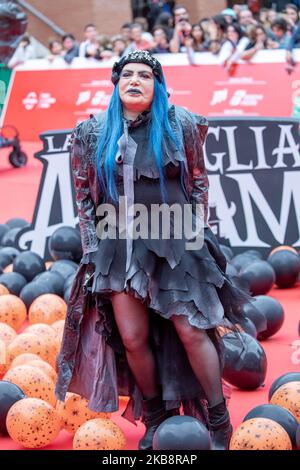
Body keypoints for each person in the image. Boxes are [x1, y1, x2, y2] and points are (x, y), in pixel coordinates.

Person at [56, 50, 252, 451]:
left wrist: (196, 235)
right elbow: (83, 197)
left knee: (191, 331)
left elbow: (198, 183)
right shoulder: (91, 133)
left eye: (145, 75)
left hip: (176, 239)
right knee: (132, 337)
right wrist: (93, 248)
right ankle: (158, 421)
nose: (135, 81)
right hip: (119, 243)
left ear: (157, 85)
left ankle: (218, 422)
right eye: (127, 74)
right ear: (116, 83)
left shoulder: (180, 124)